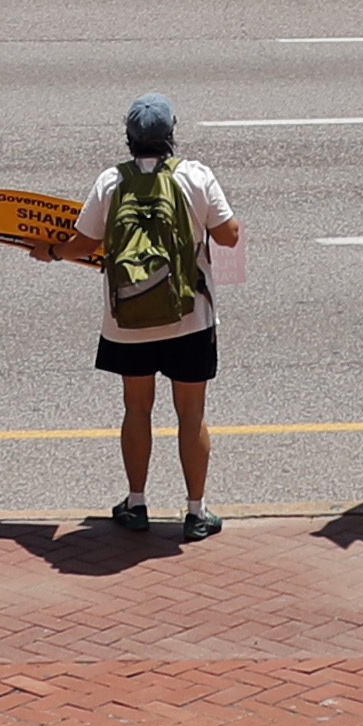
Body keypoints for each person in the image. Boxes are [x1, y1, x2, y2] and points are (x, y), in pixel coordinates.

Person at [75, 93, 241, 539]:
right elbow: (229, 236)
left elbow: (83, 242)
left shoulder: (110, 182)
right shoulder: (194, 175)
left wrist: (49, 251)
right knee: (191, 415)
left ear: (129, 138)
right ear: (171, 135)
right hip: (190, 317)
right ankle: (195, 511)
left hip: (127, 320)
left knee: (137, 409)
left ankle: (136, 503)